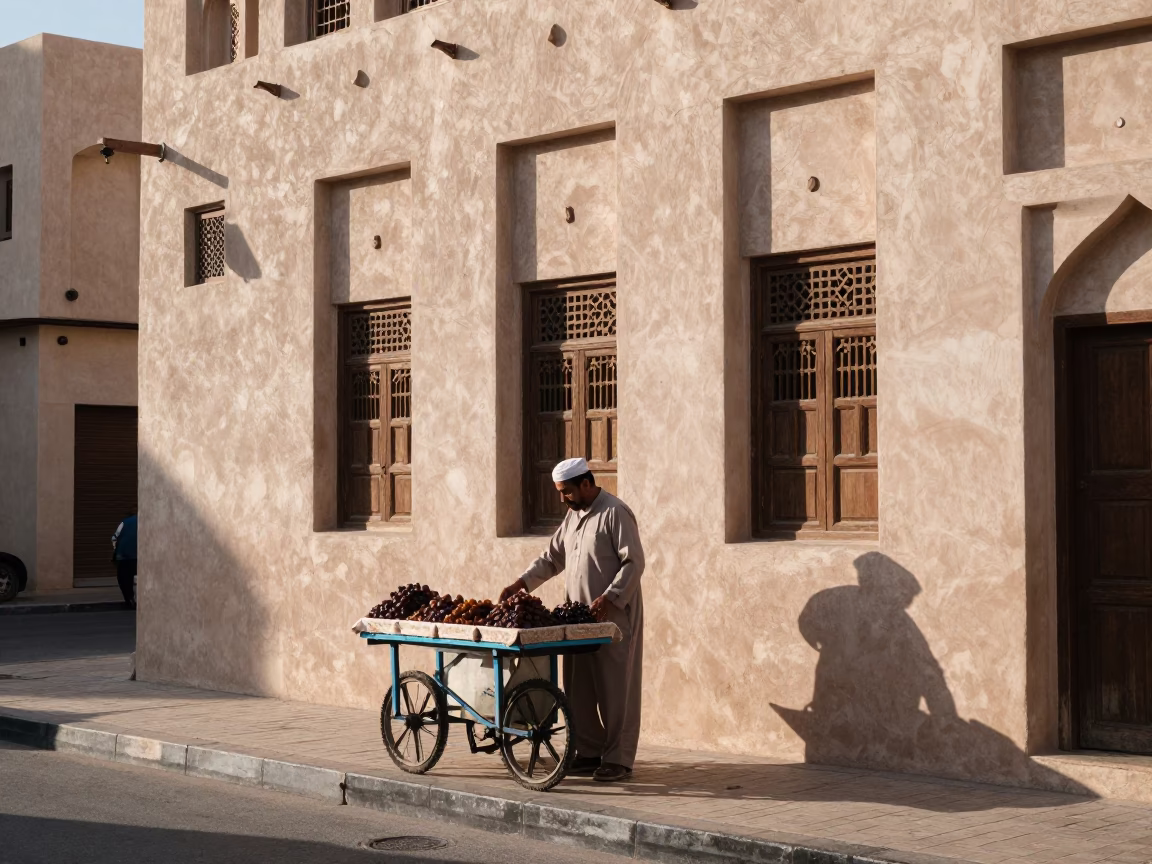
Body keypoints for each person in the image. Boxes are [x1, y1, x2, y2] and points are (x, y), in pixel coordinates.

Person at [499, 457, 645, 782]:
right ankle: (589, 752)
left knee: (616, 690)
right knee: (578, 686)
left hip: (613, 617)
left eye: (566, 491)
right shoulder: (573, 516)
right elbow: (552, 557)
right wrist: (521, 583)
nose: (562, 498)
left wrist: (611, 596)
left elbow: (634, 562)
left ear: (586, 484)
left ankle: (618, 759)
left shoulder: (615, 512)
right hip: (577, 619)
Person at [111, 511, 138, 609]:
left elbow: (114, 537)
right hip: (138, 555)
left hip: (123, 555)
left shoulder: (125, 522)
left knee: (124, 579)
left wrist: (116, 550)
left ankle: (130, 600)